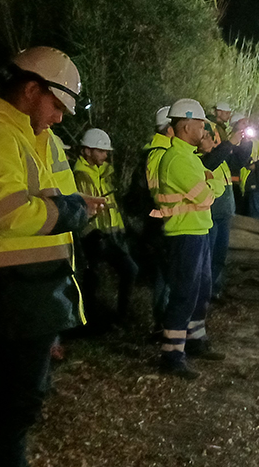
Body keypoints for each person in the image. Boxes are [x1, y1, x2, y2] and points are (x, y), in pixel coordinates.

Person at [0, 46, 104, 467]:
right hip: (4, 289)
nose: (60, 117)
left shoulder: (36, 135)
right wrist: (70, 212)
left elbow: (59, 197)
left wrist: (71, 207)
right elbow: (6, 212)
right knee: (16, 406)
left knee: (22, 403)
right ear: (32, 89)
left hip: (36, 287)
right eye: (57, 105)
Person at [154, 98, 227, 380]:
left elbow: (203, 189)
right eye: (200, 125)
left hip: (196, 232)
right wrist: (215, 183)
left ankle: (195, 341)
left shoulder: (188, 157)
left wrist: (209, 182)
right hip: (183, 235)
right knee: (184, 295)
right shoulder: (178, 160)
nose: (204, 130)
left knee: (199, 291)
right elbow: (206, 195)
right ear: (185, 126)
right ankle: (172, 355)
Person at [74, 128, 139, 325]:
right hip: (92, 238)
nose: (105, 154)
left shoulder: (105, 173)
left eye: (106, 151)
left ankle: (121, 317)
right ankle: (89, 320)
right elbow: (80, 210)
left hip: (110, 237)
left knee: (130, 270)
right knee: (92, 280)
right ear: (87, 151)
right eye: (101, 151)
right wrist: (89, 233)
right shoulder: (80, 176)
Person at [200, 109, 249, 301]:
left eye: (214, 138)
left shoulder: (220, 156)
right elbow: (210, 164)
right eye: (207, 137)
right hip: (210, 213)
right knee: (208, 256)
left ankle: (215, 289)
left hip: (225, 212)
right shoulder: (201, 158)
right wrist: (228, 144)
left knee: (219, 256)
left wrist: (246, 141)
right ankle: (204, 291)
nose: (213, 141)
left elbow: (239, 162)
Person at [143, 106, 174, 333]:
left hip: (167, 220)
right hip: (164, 222)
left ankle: (165, 320)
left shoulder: (163, 151)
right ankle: (161, 322)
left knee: (168, 273)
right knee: (165, 274)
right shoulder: (158, 153)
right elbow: (158, 192)